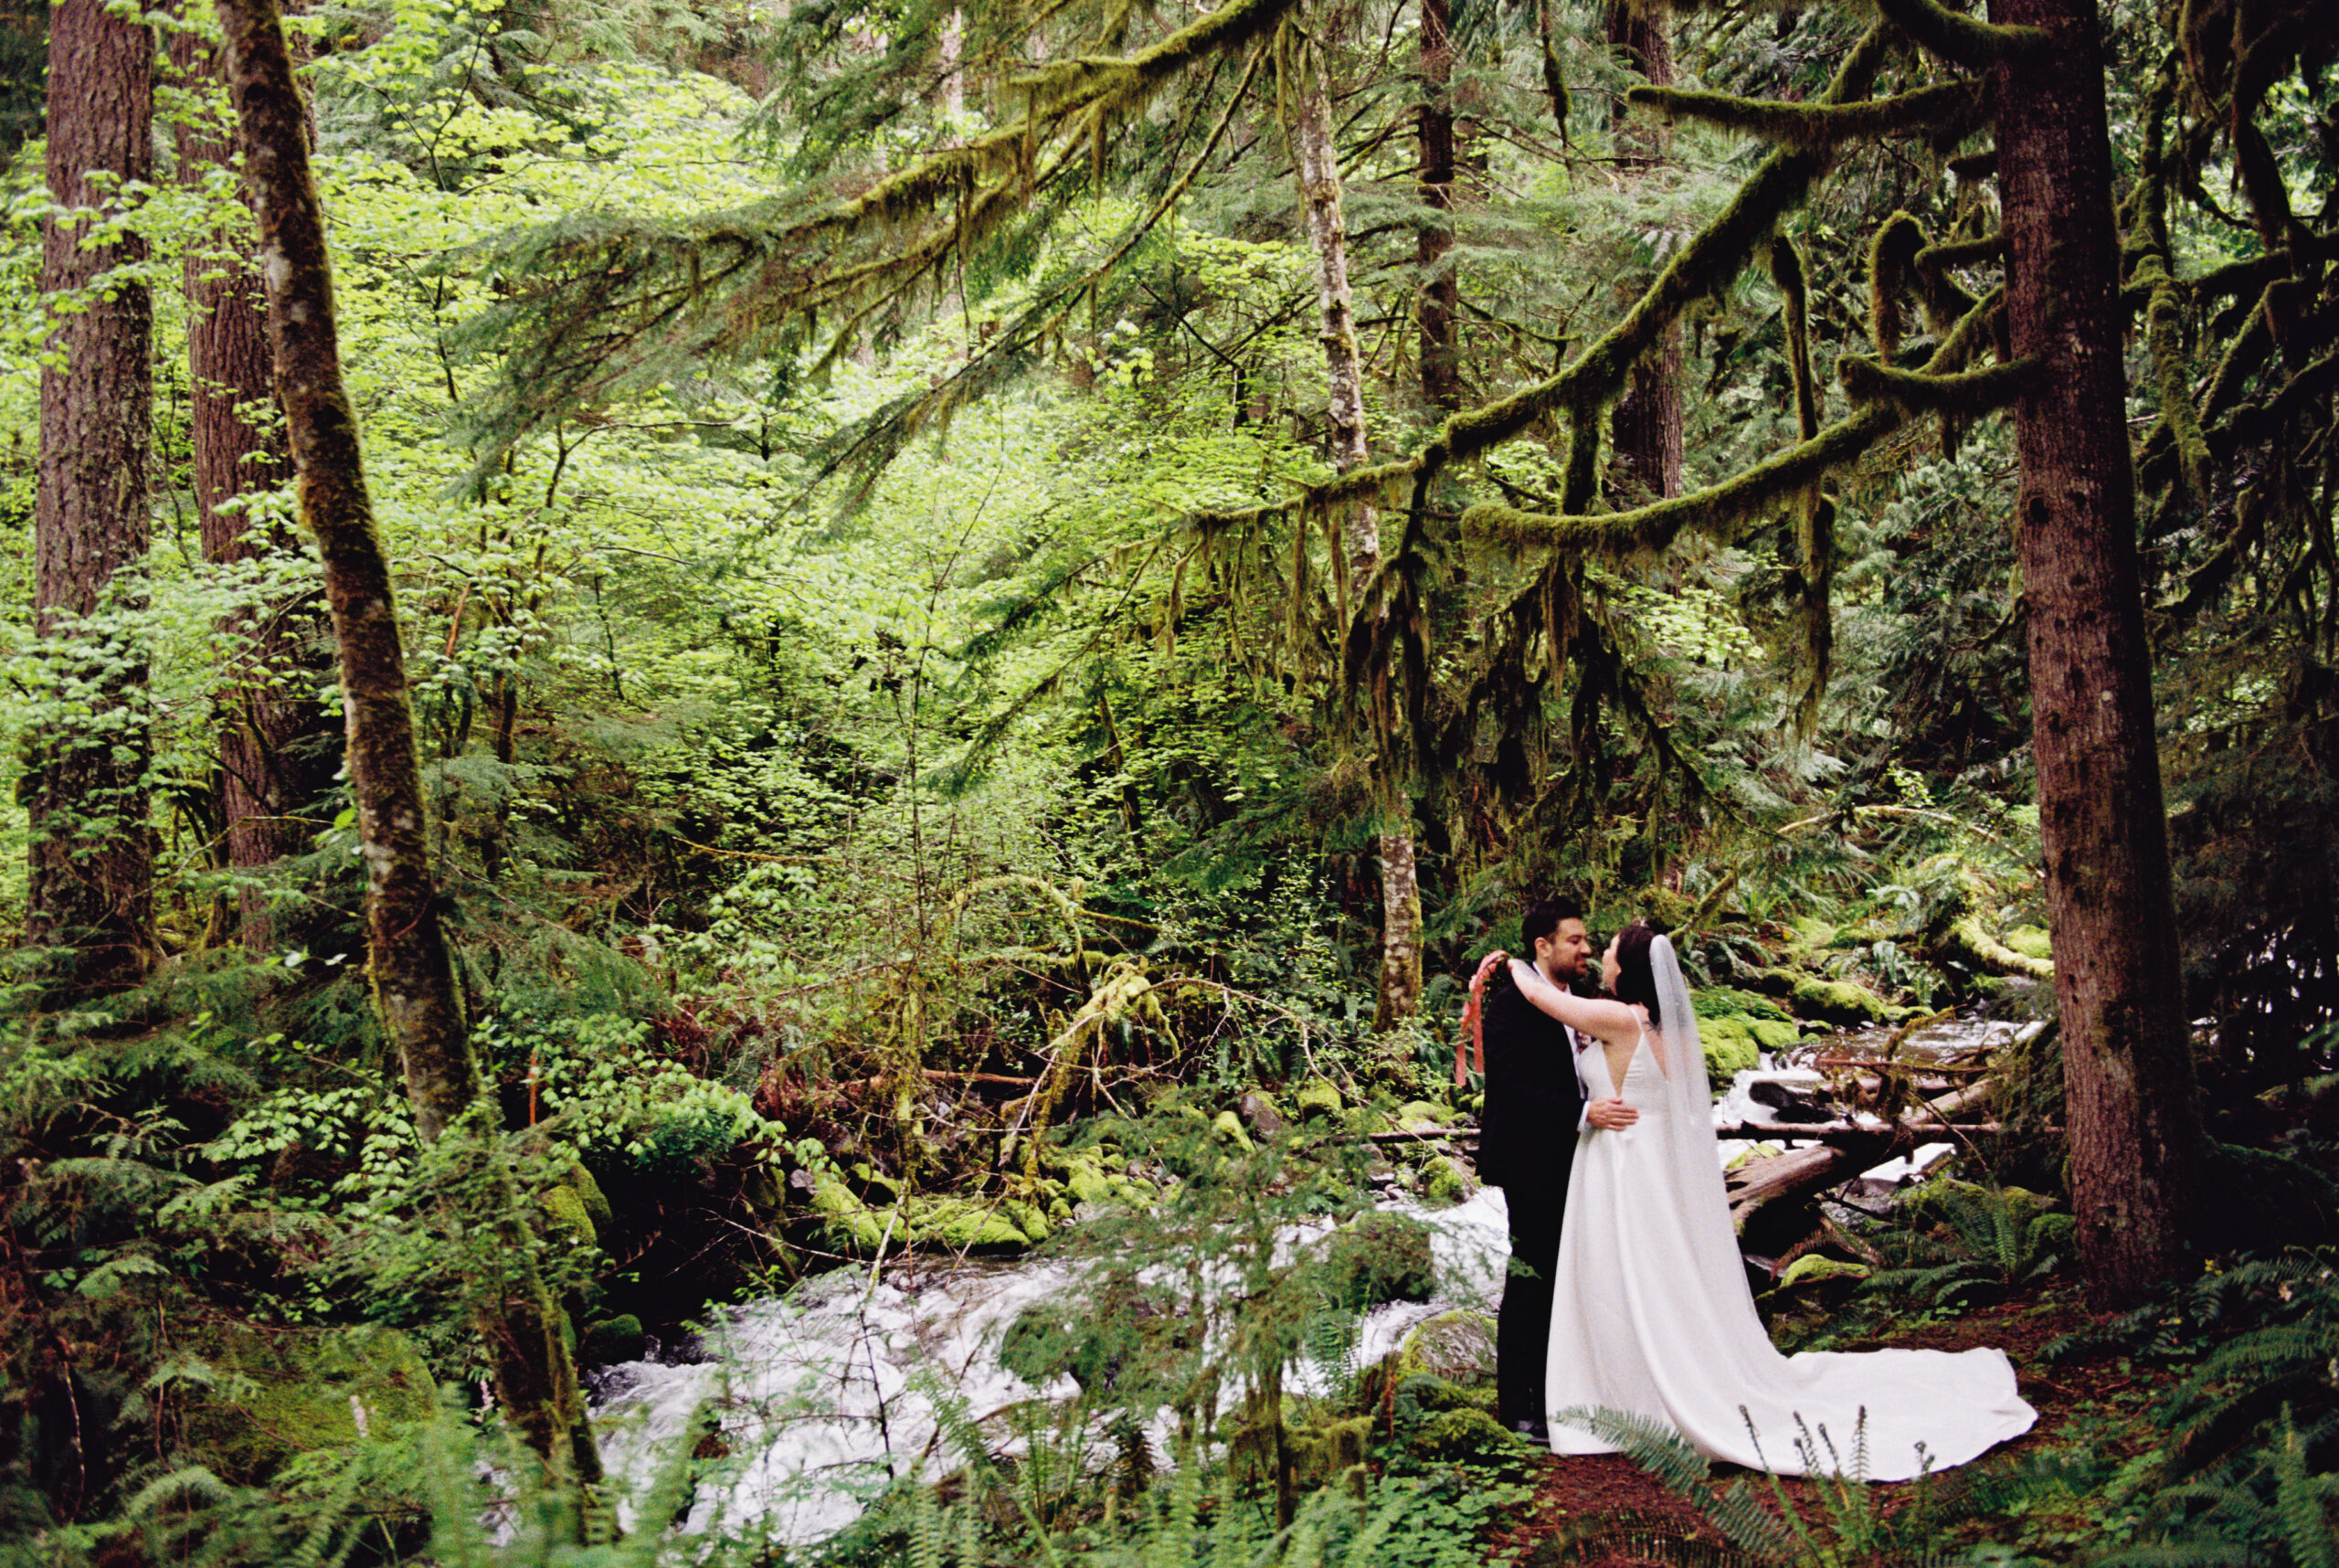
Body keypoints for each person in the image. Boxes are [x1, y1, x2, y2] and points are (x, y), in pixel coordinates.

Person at [1503, 921, 2037, 1478]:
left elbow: (1540, 995)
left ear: (1629, 969)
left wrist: (1507, 965)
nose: (1601, 959)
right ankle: (1655, 1380)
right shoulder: (1672, 1030)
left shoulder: (1619, 1019)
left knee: (1620, 1277)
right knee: (1655, 1276)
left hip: (1622, 1166)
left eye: (1608, 951)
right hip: (1652, 1167)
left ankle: (1627, 1394)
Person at [1472, 895, 1638, 1441]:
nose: (1586, 948)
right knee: (1532, 1276)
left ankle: (1566, 1392)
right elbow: (1514, 1089)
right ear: (1542, 947)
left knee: (1578, 1277)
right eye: (1574, 940)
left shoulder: (1585, 1001)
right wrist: (1584, 1112)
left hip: (1587, 1163)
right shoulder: (1507, 1009)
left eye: (1587, 940)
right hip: (1531, 1160)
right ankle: (1518, 1405)